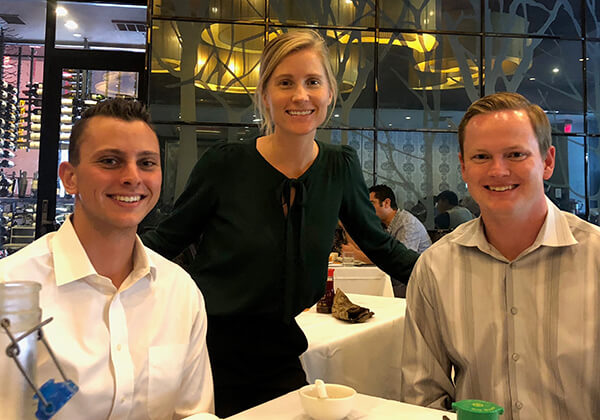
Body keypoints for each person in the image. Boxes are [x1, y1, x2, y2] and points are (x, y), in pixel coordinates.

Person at [143, 30, 419, 417]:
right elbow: (166, 240)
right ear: (266, 95)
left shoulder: (339, 166)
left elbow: (379, 244)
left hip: (282, 350)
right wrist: (96, 257)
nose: (300, 95)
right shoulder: (225, 164)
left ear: (329, 93)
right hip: (206, 349)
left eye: (312, 82)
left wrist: (444, 272)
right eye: (285, 82)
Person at [0, 99, 214, 419]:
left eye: (146, 163)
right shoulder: (9, 289)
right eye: (111, 161)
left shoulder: (181, 293)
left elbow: (193, 413)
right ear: (70, 178)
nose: (132, 177)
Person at [400, 92, 600, 420]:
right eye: (481, 157)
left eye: (516, 154)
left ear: (547, 161)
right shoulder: (436, 267)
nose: (498, 170)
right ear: (464, 167)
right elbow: (422, 397)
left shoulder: (595, 258)